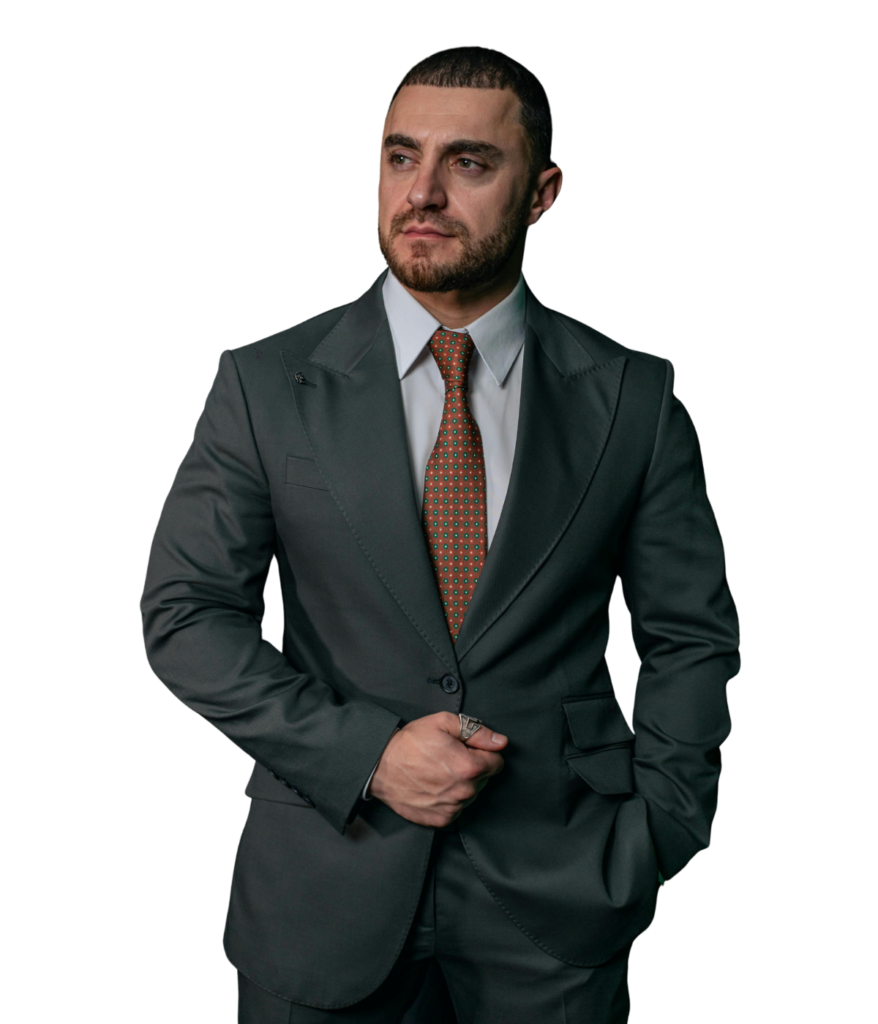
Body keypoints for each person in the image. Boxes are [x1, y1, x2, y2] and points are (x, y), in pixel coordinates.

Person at [139, 44, 741, 1024]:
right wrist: (366, 755)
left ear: (542, 193)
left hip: (563, 900)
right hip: (320, 891)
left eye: (467, 162)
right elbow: (184, 614)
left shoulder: (634, 395)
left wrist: (660, 837)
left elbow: (690, 638)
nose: (421, 192)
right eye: (398, 156)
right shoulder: (262, 382)